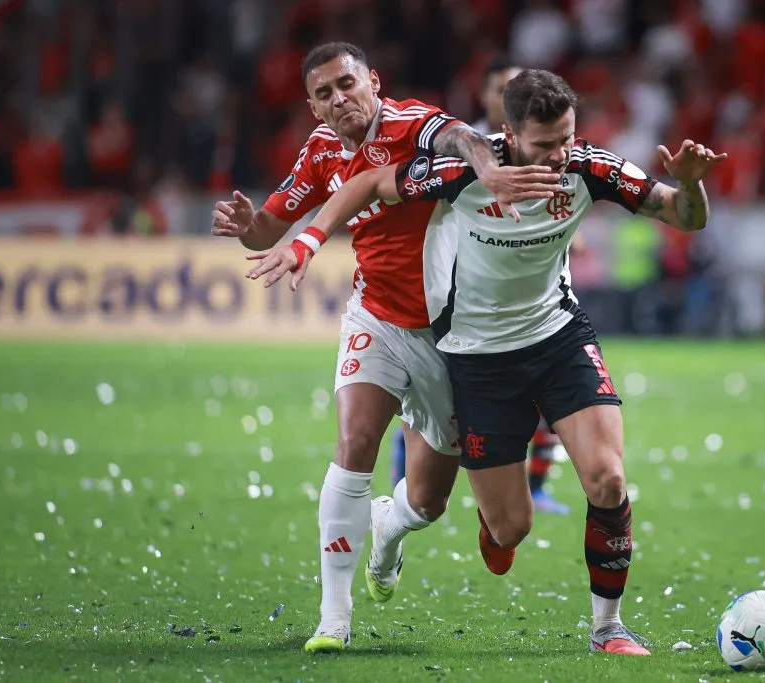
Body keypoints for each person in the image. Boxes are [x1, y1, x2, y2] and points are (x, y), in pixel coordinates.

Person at [246, 69, 726, 656]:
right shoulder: (464, 174)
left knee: (608, 478)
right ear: (509, 135)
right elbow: (370, 183)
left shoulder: (591, 168)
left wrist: (693, 186)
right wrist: (310, 238)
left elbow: (683, 215)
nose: (558, 155)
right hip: (477, 358)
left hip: (558, 338)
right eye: (545, 144)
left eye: (567, 139)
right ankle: (440, 521)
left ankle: (608, 628)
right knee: (509, 531)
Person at [211, 43, 560, 653]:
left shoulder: (413, 124)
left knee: (425, 501)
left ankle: (388, 531)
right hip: (374, 318)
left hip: (451, 339)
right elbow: (269, 224)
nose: (339, 99)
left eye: (347, 84)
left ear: (373, 80)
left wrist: (484, 164)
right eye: (324, 93)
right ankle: (333, 619)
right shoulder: (319, 153)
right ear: (313, 106)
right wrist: (245, 223)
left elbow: (462, 138)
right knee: (355, 443)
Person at [392, 53, 572, 516]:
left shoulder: (550, 148)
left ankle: (537, 487)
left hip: (538, 288)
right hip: (466, 303)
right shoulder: (461, 147)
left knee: (551, 394)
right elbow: (405, 195)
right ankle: (407, 480)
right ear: (489, 97)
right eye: (500, 89)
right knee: (436, 398)